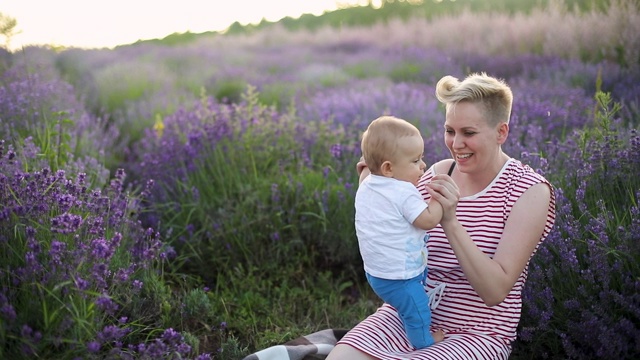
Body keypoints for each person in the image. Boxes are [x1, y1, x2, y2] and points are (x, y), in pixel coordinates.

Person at [327, 72, 556, 360]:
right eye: (450, 130)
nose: (456, 143)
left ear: (501, 132)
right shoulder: (438, 172)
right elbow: (389, 223)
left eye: (468, 133)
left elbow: (494, 291)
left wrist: (449, 221)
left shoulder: (528, 191)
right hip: (409, 317)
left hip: (476, 334)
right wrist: (371, 179)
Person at [355, 115, 444, 350]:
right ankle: (423, 342)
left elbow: (363, 169)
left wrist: (367, 161)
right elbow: (427, 220)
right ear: (388, 168)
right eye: (415, 161)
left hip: (376, 274)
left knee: (405, 302)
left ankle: (400, 309)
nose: (423, 166)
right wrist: (439, 200)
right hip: (401, 277)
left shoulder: (366, 183)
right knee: (418, 309)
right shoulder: (404, 191)